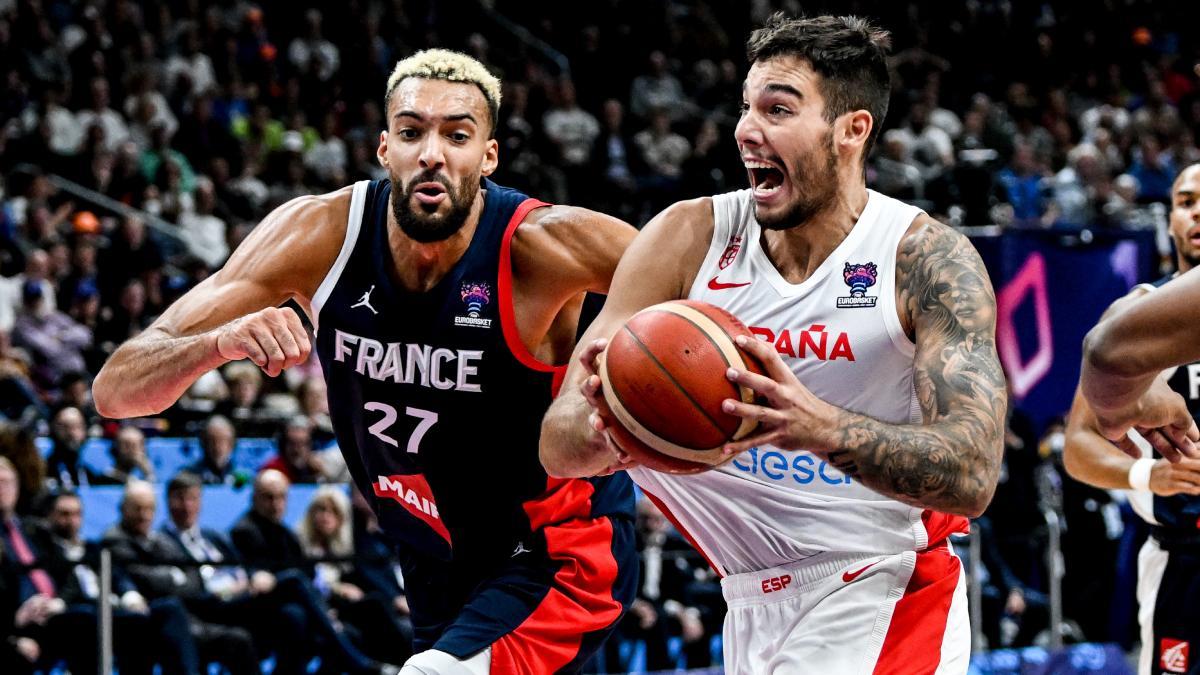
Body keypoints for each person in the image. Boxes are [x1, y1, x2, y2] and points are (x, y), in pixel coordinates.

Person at [93, 48, 638, 674]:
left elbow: (695, 296)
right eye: (412, 132)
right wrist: (220, 343)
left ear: (488, 156)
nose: (432, 152)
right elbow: (116, 390)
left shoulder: (544, 246)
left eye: (457, 134)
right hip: (433, 560)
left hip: (557, 553)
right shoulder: (321, 235)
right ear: (385, 149)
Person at [541, 14, 1006, 674]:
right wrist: (603, 430)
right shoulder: (686, 237)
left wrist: (814, 425)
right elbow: (557, 442)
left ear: (852, 130)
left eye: (779, 109)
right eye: (747, 107)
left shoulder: (923, 260)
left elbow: (972, 473)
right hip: (749, 598)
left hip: (885, 587)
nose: (746, 129)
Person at [1065, 163, 1200, 675]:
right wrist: (1150, 475)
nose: (1198, 211)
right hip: (1183, 558)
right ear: (1168, 220)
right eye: (1186, 201)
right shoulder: (1136, 316)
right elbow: (1078, 447)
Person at [1078, 166, 1200, 455]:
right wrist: (1143, 476)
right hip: (1177, 493)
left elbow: (1104, 352)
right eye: (1186, 203)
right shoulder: (1139, 302)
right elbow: (1081, 440)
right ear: (1170, 223)